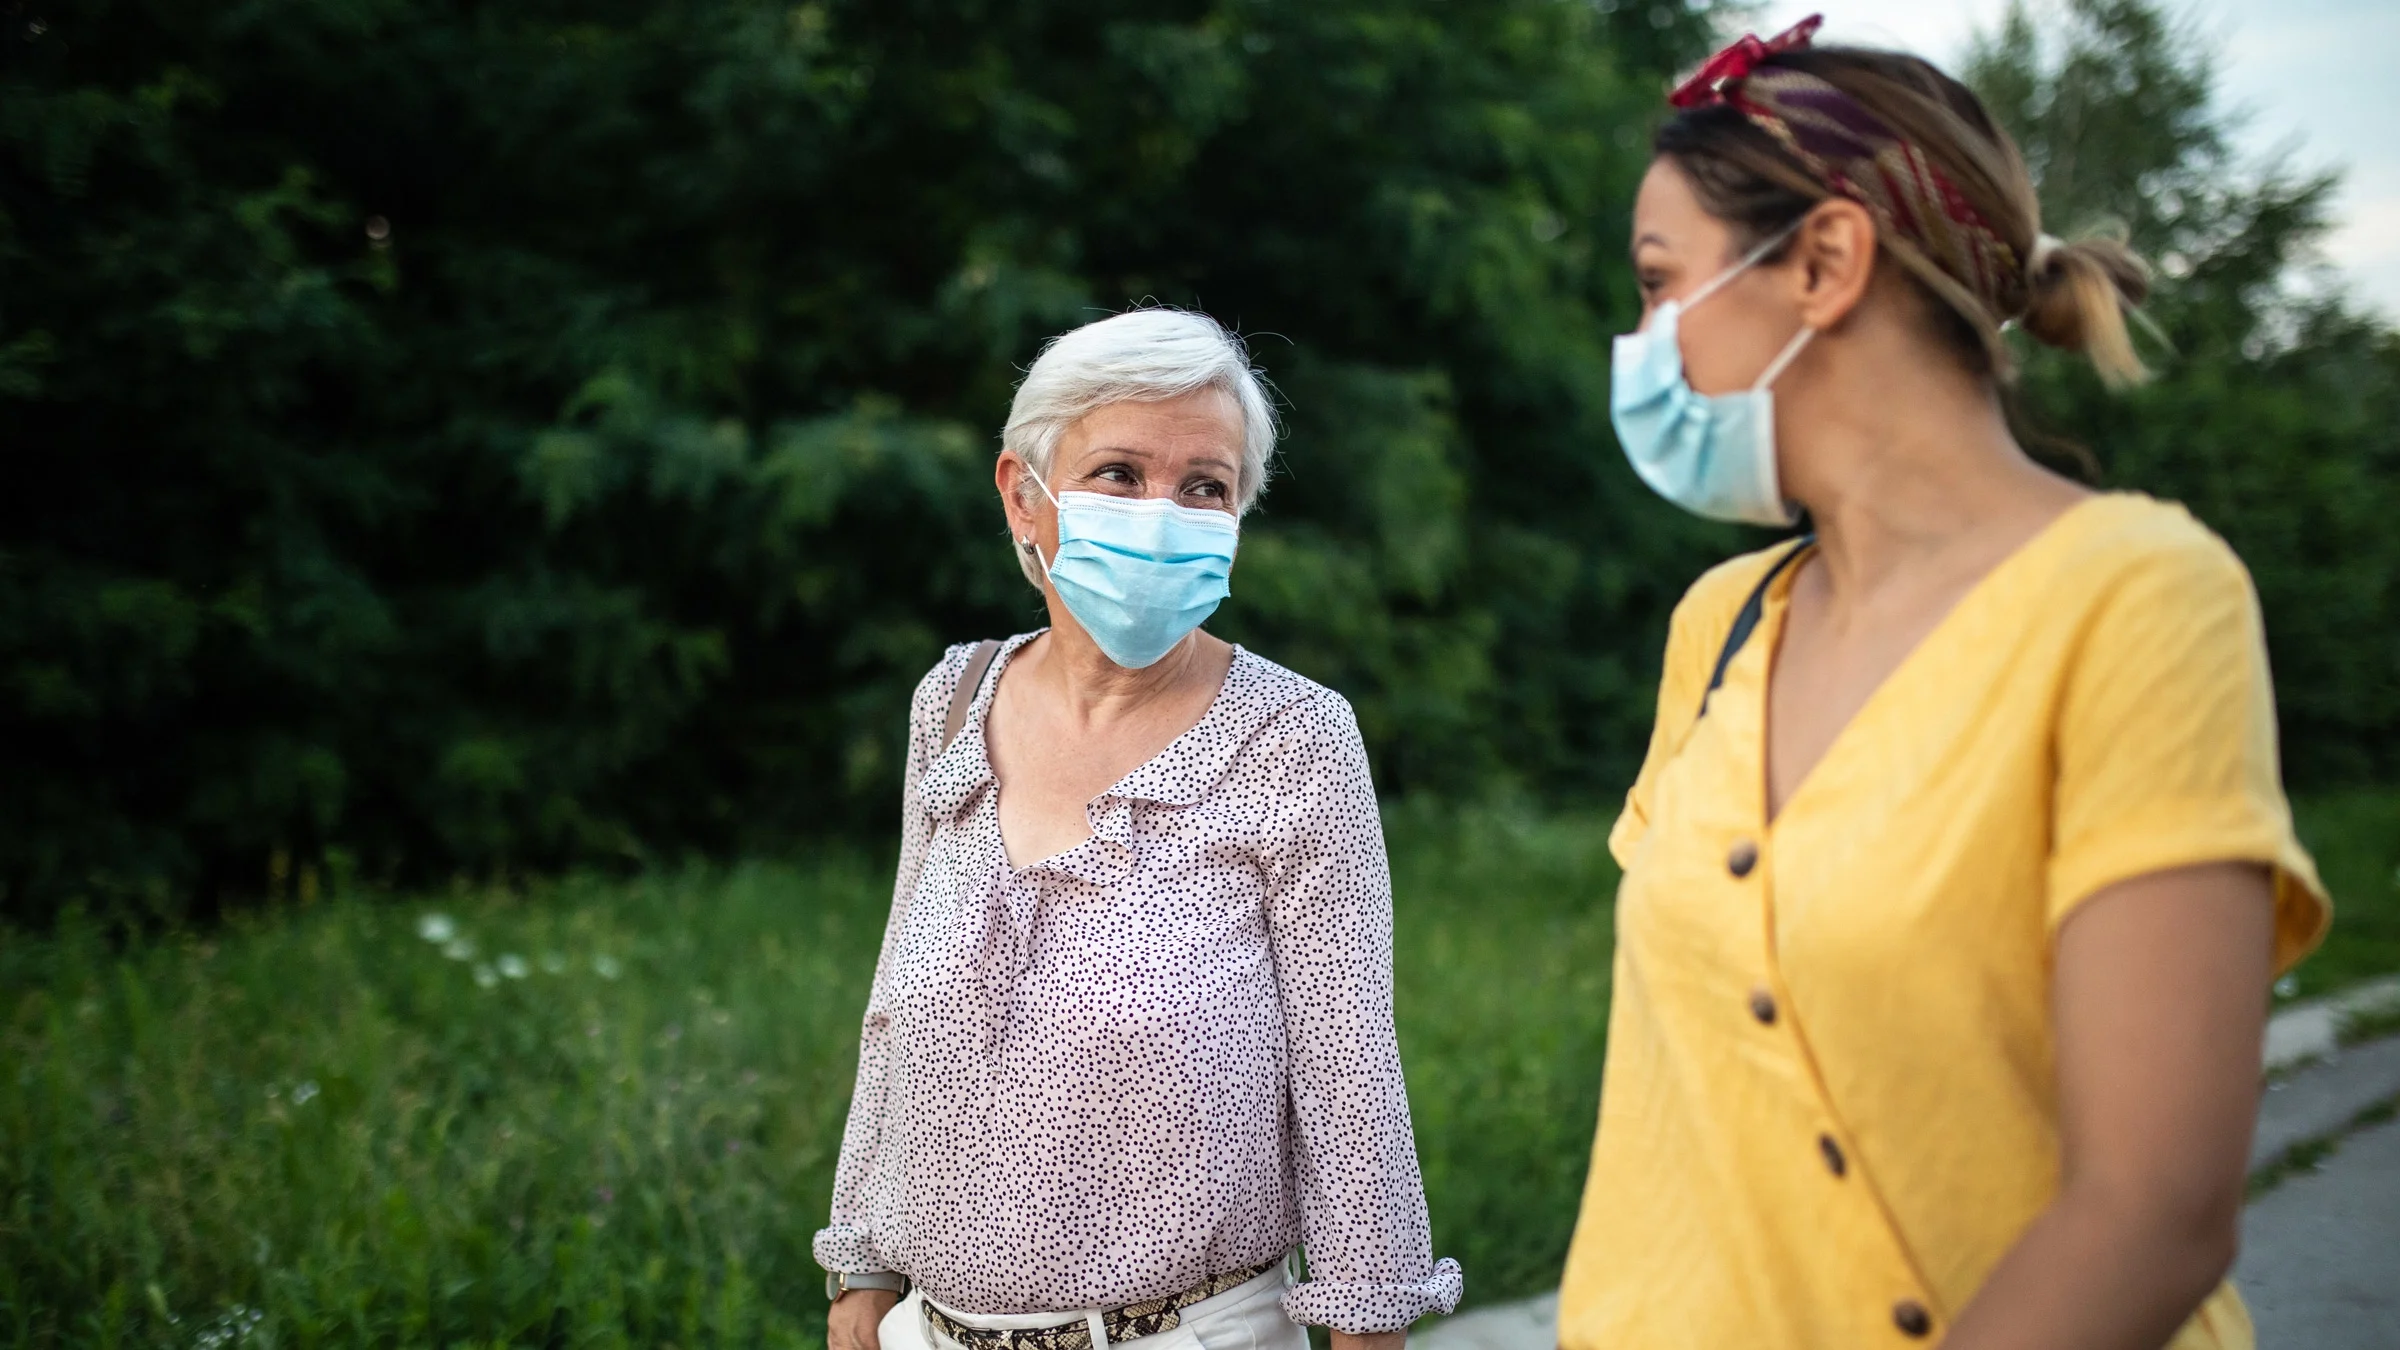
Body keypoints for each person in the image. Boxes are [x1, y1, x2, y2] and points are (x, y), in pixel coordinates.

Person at [1558, 16, 2330, 1350]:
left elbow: (2154, 1207)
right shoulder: (1722, 624)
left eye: (1658, 278)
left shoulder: (2137, 596)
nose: (1643, 343)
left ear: (1824, 260)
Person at [816, 308, 1462, 1350]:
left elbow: (1351, 1078)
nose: (1162, 512)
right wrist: (859, 1269)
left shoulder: (1295, 736)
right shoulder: (953, 700)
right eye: (1119, 472)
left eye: (1203, 486)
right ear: (1024, 497)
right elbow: (894, 1004)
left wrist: (1369, 1322)